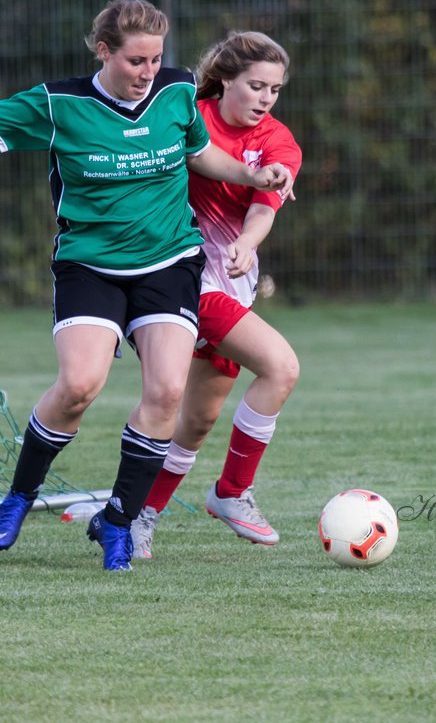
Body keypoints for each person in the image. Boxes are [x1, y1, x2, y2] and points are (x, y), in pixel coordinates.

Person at [0, 0, 293, 571]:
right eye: (135, 60)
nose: (147, 72)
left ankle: (119, 523)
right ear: (104, 52)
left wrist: (253, 174)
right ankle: (19, 495)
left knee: (165, 394)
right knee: (80, 385)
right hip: (90, 263)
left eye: (156, 59)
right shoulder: (61, 104)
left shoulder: (178, 92)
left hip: (168, 264)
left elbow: (202, 155)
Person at [131, 31, 303, 559]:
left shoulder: (279, 140)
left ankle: (138, 514)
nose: (265, 98)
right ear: (226, 79)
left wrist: (249, 242)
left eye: (274, 90)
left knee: (196, 421)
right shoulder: (188, 115)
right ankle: (232, 493)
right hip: (185, 278)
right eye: (255, 86)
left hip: (232, 282)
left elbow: (264, 204)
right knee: (281, 367)